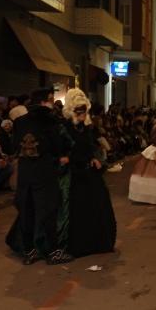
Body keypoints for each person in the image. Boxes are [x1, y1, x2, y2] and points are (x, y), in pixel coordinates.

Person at [8, 88, 73, 265]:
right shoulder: (50, 121)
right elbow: (57, 146)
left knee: (27, 211)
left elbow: (14, 145)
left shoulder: (20, 121)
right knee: (49, 212)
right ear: (47, 100)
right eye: (51, 100)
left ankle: (29, 251)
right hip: (44, 172)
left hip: (25, 173)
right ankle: (53, 252)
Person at [61, 89, 116, 257]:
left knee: (98, 205)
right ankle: (78, 246)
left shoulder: (86, 128)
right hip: (72, 174)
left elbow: (89, 145)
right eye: (79, 111)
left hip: (88, 172)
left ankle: (97, 243)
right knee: (77, 210)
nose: (83, 114)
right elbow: (62, 148)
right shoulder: (64, 127)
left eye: (84, 110)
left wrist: (94, 158)